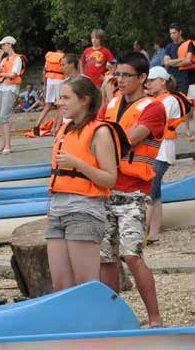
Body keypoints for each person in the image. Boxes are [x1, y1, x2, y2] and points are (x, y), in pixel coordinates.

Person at [98, 52, 165, 328]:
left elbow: (126, 141)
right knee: (105, 259)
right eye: (118, 75)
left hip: (133, 193)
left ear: (142, 78)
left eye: (126, 75)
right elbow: (96, 134)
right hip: (106, 190)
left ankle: (155, 319)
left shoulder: (153, 108)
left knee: (132, 255)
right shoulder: (112, 103)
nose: (120, 80)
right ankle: (113, 320)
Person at [46, 76, 123, 292]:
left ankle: (97, 324)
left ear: (84, 100)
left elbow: (110, 178)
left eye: (66, 97)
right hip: (58, 208)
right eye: (60, 97)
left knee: (85, 285)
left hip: (85, 210)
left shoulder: (100, 132)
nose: (60, 102)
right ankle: (71, 325)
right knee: (61, 286)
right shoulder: (65, 129)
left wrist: (77, 163)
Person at [145, 67, 184, 244]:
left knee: (149, 193)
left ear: (162, 81)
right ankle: (153, 234)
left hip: (161, 151)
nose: (149, 84)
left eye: (152, 80)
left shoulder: (168, 100)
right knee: (156, 193)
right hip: (159, 151)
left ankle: (140, 235)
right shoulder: (160, 100)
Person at [163, 23, 195, 136]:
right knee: (168, 101)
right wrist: (181, 60)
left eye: (174, 32)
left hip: (183, 78)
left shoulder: (189, 44)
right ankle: (167, 127)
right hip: (170, 78)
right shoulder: (169, 46)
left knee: (184, 102)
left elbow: (188, 61)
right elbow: (166, 62)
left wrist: (173, 62)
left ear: (180, 32)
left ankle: (187, 128)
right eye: (170, 33)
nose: (172, 35)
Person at [0, 35, 27, 154]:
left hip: (11, 88)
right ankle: (3, 144)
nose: (2, 46)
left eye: (3, 44)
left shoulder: (17, 59)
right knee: (0, 116)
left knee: (4, 116)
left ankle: (8, 145)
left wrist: (2, 75)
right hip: (1, 88)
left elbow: (13, 75)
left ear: (10, 44)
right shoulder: (4, 59)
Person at [34, 40, 65, 136]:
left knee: (48, 105)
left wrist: (45, 85)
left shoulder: (49, 56)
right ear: (64, 48)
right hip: (60, 79)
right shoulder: (64, 57)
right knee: (61, 105)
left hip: (50, 80)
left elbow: (44, 71)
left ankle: (36, 125)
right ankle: (55, 129)